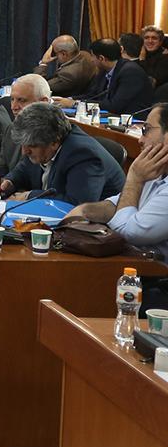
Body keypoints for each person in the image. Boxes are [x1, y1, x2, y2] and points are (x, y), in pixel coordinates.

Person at [65, 101, 168, 311]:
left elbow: (129, 231)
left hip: (157, 286)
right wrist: (85, 211)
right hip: (135, 271)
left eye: (147, 130)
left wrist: (134, 179)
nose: (140, 139)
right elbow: (118, 204)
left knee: (75, 291)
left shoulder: (144, 174)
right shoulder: (156, 171)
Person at [0, 102, 124, 205]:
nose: (25, 151)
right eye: (23, 145)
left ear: (54, 141)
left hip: (98, 224)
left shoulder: (83, 155)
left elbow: (77, 204)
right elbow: (24, 170)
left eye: (31, 146)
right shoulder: (41, 144)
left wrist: (30, 196)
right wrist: (8, 182)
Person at [0, 73, 52, 197]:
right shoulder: (11, 128)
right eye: (12, 99)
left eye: (21, 100)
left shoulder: (53, 134)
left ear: (43, 102)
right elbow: (1, 166)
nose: (13, 107)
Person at [58, 38, 154, 117]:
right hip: (109, 115)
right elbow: (92, 95)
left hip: (131, 121)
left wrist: (75, 104)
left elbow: (115, 106)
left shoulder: (131, 72)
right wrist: (68, 99)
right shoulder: (104, 70)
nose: (91, 60)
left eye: (92, 56)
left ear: (101, 58)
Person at [139, 25, 168, 90]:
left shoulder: (165, 57)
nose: (150, 41)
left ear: (160, 41)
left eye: (154, 38)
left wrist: (142, 60)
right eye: (146, 38)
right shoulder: (138, 52)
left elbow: (152, 80)